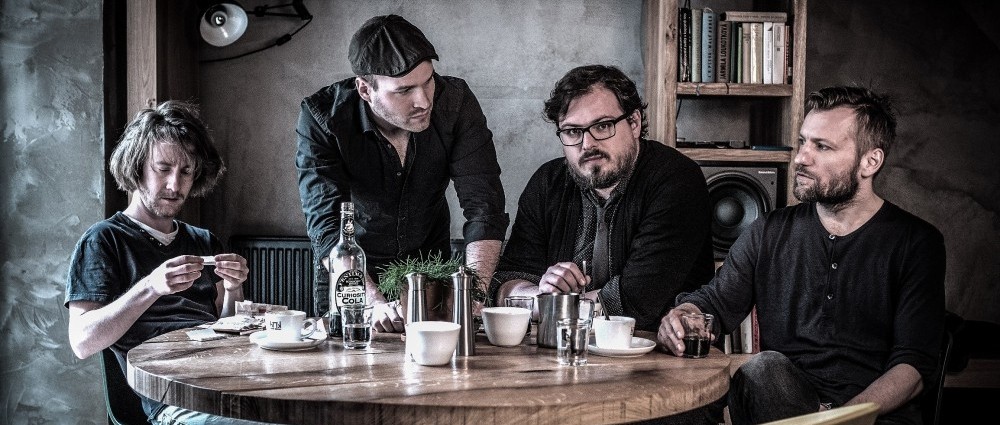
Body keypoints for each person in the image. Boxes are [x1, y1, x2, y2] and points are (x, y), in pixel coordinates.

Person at [657, 86, 946, 425]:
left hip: (872, 417)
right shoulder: (768, 232)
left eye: (821, 146)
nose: (800, 158)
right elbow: (714, 304)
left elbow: (913, 366)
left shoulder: (916, 242)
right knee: (761, 372)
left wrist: (841, 418)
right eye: (802, 142)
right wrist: (683, 316)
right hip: (784, 405)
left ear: (870, 161)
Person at [296, 14, 509, 333]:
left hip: (430, 267)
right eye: (404, 90)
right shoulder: (323, 118)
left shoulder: (455, 102)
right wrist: (372, 302)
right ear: (365, 90)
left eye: (428, 81)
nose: (423, 101)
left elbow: (484, 208)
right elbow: (326, 225)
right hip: (352, 271)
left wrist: (472, 296)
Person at [65, 101, 260, 425]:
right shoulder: (103, 240)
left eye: (186, 172)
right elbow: (82, 342)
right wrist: (151, 287)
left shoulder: (203, 240)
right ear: (137, 167)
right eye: (163, 168)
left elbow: (227, 329)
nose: (175, 185)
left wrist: (233, 288)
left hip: (227, 381)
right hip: (173, 398)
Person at [490, 64, 716, 335]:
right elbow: (505, 285)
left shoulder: (677, 180)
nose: (587, 144)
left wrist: (549, 306)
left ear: (634, 123)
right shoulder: (547, 183)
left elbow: (635, 301)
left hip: (656, 351)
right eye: (572, 131)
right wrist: (540, 292)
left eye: (603, 126)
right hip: (561, 351)